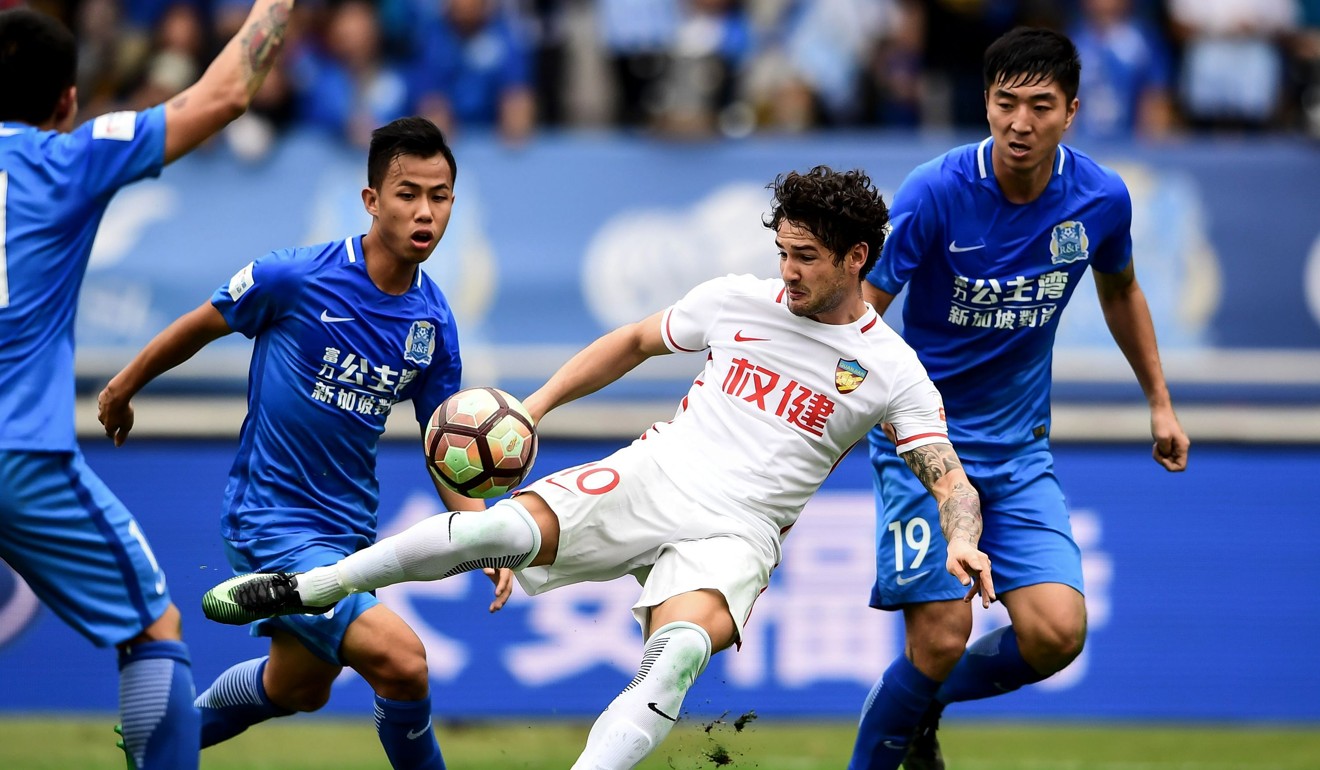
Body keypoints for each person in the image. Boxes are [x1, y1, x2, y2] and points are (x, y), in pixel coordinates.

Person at [198, 165, 997, 770]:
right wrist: (536, 408)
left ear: (857, 258)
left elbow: (946, 472)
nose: (787, 272)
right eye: (782, 252)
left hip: (738, 532)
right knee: (501, 529)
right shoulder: (736, 300)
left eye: (807, 258)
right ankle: (312, 587)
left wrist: (962, 536)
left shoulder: (889, 368)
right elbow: (633, 342)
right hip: (656, 473)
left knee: (678, 655)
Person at [97, 117, 496, 770]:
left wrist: (484, 530)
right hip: (270, 517)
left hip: (348, 533)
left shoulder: (433, 322)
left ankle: (165, 736)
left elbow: (441, 438)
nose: (425, 212)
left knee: (298, 689)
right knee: (403, 664)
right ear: (371, 201)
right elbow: (205, 321)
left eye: (440, 195)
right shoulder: (296, 278)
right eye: (408, 193)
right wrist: (124, 385)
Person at [847, 27, 1190, 770]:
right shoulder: (935, 191)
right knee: (938, 637)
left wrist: (1159, 402)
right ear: (987, 104)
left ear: (1071, 110)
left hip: (1017, 447)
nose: (1020, 123)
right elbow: (863, 307)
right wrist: (843, 407)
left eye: (1040, 106)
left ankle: (921, 703)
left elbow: (1122, 289)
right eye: (1006, 104)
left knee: (1057, 633)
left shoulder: (1099, 198)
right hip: (923, 443)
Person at [0, 4, 295, 769]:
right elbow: (223, 95)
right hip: (15, 456)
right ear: (67, 102)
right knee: (152, 628)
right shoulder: (66, 158)